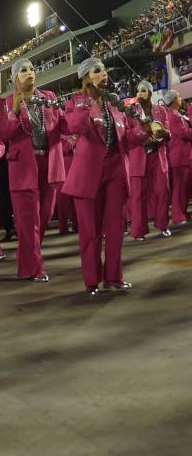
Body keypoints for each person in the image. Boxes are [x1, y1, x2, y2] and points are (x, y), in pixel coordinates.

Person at [62, 58, 153, 296]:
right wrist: (86, 99)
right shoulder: (75, 102)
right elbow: (76, 126)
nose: (104, 74)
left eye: (104, 70)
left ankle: (114, 277)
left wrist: (146, 128)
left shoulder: (114, 105)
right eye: (97, 71)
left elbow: (129, 138)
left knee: (115, 228)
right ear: (85, 77)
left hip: (115, 170)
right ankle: (92, 281)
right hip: (88, 173)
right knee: (90, 231)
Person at [0, 58, 68, 282]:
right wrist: (13, 110)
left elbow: (64, 125)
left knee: (44, 216)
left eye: (32, 68)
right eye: (23, 70)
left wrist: (74, 112)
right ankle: (33, 267)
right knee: (27, 221)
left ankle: (30, 258)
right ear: (15, 78)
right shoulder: (7, 102)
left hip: (49, 163)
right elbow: (2, 133)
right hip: (23, 166)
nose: (30, 72)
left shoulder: (49, 98)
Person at [128, 80, 170, 239]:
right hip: (138, 156)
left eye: (144, 91)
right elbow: (127, 135)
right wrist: (142, 139)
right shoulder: (131, 112)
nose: (140, 94)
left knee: (162, 191)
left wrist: (163, 134)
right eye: (138, 91)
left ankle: (163, 225)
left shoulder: (160, 110)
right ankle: (139, 231)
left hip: (158, 156)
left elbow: (168, 130)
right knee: (138, 195)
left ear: (150, 93)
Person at [164, 88, 192, 224]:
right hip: (179, 156)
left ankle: (183, 213)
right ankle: (178, 215)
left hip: (183, 156)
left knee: (184, 188)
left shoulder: (176, 114)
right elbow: (184, 133)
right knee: (180, 189)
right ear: (173, 100)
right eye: (179, 96)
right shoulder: (172, 115)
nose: (181, 99)